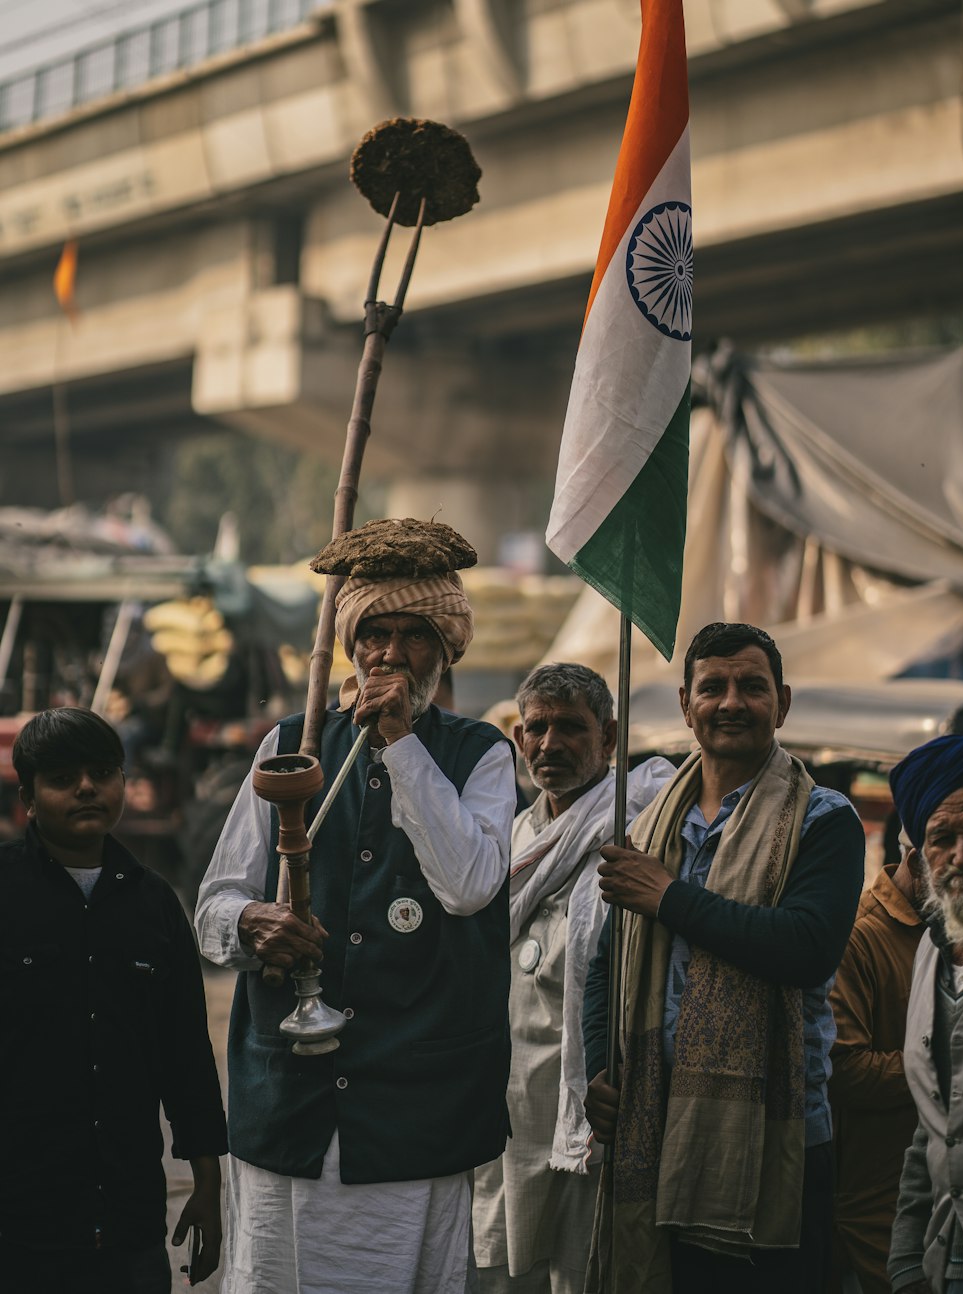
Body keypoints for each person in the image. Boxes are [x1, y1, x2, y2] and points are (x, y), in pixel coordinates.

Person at [195, 518, 517, 1294]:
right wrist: (253, 923)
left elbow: (469, 883)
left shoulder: (482, 754)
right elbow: (213, 908)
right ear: (352, 644)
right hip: (289, 1106)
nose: (393, 654)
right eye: (376, 632)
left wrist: (403, 748)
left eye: (415, 635)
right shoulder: (291, 745)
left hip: (416, 1114)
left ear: (445, 651)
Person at [583, 622, 866, 1293]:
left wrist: (669, 898)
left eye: (751, 687)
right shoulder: (652, 823)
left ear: (783, 702)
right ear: (686, 704)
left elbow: (803, 948)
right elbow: (606, 961)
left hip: (777, 1134)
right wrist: (603, 1067)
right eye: (713, 687)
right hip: (655, 1124)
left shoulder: (825, 821)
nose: (731, 702)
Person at [0, 707, 226, 1294]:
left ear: (123, 782)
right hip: (18, 1222)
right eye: (61, 778)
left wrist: (207, 1188)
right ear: (27, 795)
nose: (85, 788)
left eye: (102, 772)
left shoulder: (155, 906)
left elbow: (187, 1059)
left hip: (129, 1222)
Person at [474, 663, 674, 1293]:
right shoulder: (508, 840)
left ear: (609, 738)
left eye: (571, 728)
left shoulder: (636, 829)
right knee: (503, 1265)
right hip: (505, 1105)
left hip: (588, 1104)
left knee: (582, 1269)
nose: (549, 745)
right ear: (517, 734)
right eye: (536, 728)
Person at [887, 735, 963, 1294]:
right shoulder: (931, 951)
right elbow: (932, 1129)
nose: (961, 855)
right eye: (942, 838)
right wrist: (906, 1262)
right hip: (943, 1266)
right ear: (921, 854)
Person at [828, 838, 925, 1294]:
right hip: (878, 1200)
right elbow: (844, 1070)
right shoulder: (859, 936)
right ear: (916, 859)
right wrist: (946, 1066)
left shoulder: (952, 928)